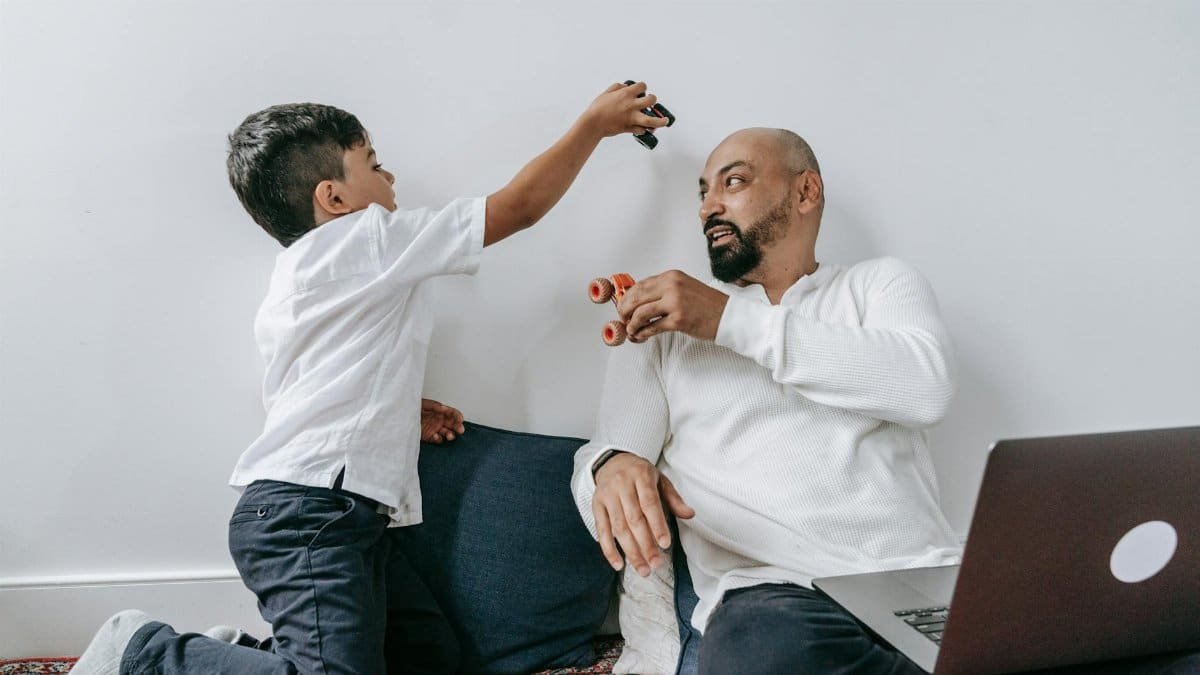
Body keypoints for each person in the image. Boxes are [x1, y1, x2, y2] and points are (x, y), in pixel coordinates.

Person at [74, 81, 671, 675]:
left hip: (342, 515)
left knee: (425, 658)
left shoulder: (305, 276)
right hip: (309, 514)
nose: (391, 177)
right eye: (374, 164)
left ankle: (246, 657)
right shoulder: (366, 238)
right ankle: (144, 652)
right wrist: (593, 126)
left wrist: (400, 410)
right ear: (335, 198)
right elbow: (516, 208)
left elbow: (321, 390)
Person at [572, 127, 1200, 675]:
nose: (709, 205)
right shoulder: (661, 330)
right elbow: (605, 458)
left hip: (925, 582)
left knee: (1168, 632)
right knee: (755, 650)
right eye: (703, 192)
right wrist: (610, 465)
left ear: (805, 192)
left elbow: (924, 388)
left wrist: (728, 320)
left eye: (733, 182)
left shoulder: (880, 285)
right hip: (781, 601)